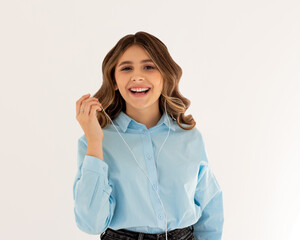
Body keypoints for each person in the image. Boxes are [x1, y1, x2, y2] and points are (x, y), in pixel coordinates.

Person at [73, 31, 224, 240]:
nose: (137, 76)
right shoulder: (93, 143)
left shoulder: (190, 138)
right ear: (114, 80)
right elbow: (91, 223)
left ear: (164, 75)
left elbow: (210, 206)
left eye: (149, 66)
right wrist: (95, 141)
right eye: (126, 68)